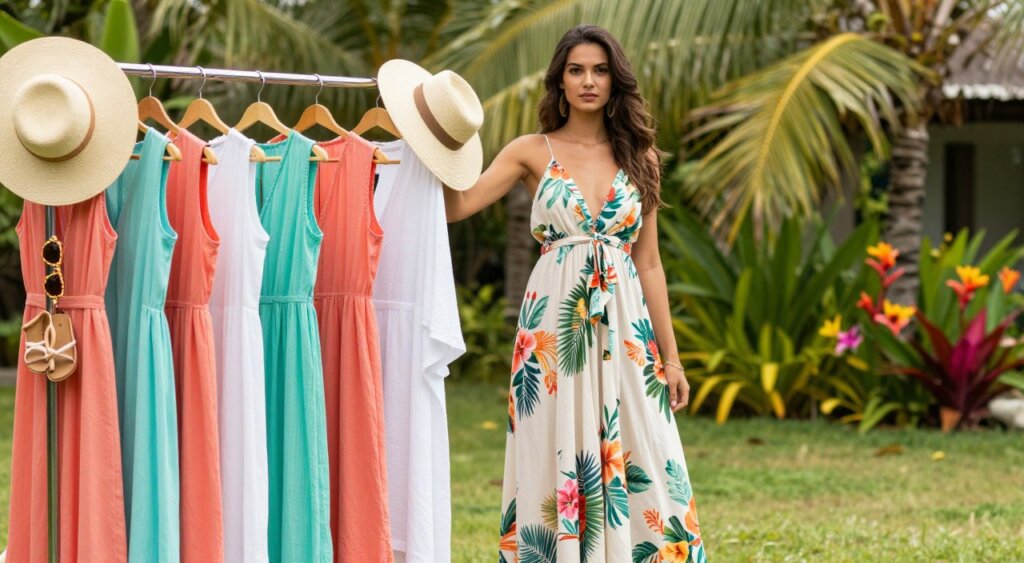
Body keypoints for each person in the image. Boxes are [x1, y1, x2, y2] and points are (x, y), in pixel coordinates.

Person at [443, 24, 708, 563]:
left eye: (600, 70)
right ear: (559, 82)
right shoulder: (530, 151)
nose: (589, 81)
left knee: (647, 445)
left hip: (626, 329)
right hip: (553, 331)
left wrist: (672, 358)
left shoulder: (643, 157)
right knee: (552, 444)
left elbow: (649, 262)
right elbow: (459, 206)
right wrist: (435, 147)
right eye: (576, 70)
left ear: (616, 81)